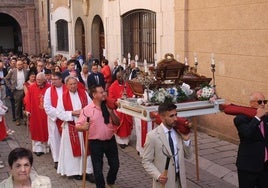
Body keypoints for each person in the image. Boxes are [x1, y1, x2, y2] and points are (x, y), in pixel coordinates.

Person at [76, 85, 120, 188]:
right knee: (98, 169)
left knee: (115, 165)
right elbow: (77, 126)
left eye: (104, 92)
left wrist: (111, 113)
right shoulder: (87, 110)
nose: (104, 94)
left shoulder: (108, 106)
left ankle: (110, 181)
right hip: (95, 143)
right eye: (101, 92)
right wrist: (83, 126)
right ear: (94, 95)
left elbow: (117, 122)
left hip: (110, 140)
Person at [142, 103, 192, 188]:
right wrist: (158, 176)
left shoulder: (179, 133)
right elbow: (146, 161)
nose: (175, 119)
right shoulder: (152, 136)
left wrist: (186, 141)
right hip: (164, 184)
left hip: (180, 183)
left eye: (176, 115)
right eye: (171, 116)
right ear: (162, 117)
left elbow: (188, 155)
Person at [56, 76, 95, 182]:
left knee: (86, 149)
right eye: (71, 84)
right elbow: (59, 113)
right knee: (73, 151)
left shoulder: (84, 93)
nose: (73, 86)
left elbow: (92, 106)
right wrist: (73, 113)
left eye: (75, 84)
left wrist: (84, 113)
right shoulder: (62, 97)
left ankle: (88, 171)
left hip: (84, 127)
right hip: (71, 127)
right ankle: (75, 171)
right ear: (66, 85)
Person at [233, 92, 268, 188]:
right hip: (248, 166)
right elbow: (247, 133)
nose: (263, 104)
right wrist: (257, 117)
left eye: (265, 101)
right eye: (260, 102)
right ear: (251, 103)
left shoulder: (266, 118)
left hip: (264, 166)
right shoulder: (240, 118)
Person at [24, 72, 50, 156]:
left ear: (44, 80)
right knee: (36, 129)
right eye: (37, 79)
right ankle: (38, 148)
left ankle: (46, 147)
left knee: (46, 129)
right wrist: (27, 110)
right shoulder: (31, 87)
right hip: (35, 112)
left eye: (40, 80)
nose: (38, 81)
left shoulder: (49, 87)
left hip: (46, 113)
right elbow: (27, 99)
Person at [43, 72, 65, 169]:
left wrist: (65, 115)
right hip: (54, 119)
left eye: (55, 79)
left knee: (66, 139)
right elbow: (47, 106)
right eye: (52, 79)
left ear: (61, 79)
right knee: (55, 138)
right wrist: (59, 114)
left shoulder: (67, 88)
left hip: (66, 119)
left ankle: (66, 158)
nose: (53, 81)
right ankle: (57, 159)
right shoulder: (48, 91)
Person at [108, 71, 133, 148]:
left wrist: (128, 97)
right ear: (116, 77)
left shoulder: (127, 85)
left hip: (127, 108)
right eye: (119, 77)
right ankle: (120, 141)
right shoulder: (113, 86)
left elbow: (131, 94)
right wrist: (118, 100)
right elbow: (111, 99)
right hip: (118, 109)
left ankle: (126, 140)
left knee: (127, 124)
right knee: (120, 124)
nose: (121, 78)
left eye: (122, 76)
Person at [5, 59, 29, 126]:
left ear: (23, 65)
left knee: (25, 106)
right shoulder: (13, 71)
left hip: (25, 91)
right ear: (16, 65)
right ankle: (18, 119)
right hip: (17, 91)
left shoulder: (26, 71)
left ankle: (25, 120)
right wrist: (10, 87)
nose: (20, 66)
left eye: (21, 64)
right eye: (18, 64)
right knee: (17, 106)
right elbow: (6, 78)